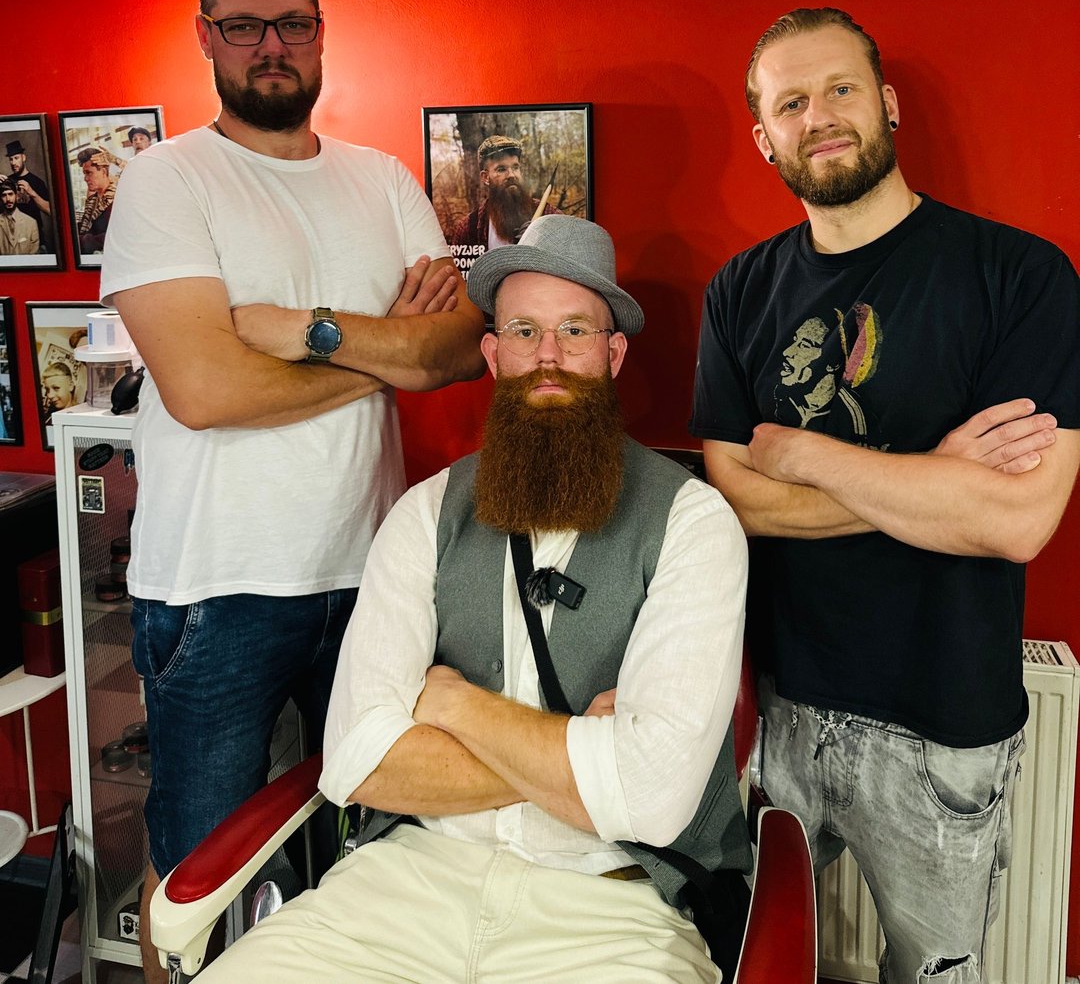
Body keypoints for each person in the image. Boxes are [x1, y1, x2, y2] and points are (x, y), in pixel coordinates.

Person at [196, 214, 752, 984]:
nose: (547, 357)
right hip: (403, 886)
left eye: (575, 331)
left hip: (613, 905)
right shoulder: (423, 514)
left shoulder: (694, 523)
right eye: (523, 331)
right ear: (492, 356)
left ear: (614, 354)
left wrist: (451, 705)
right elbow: (354, 763)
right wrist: (590, 761)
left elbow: (653, 801)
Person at [99, 0, 485, 982]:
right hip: (215, 589)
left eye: (293, 24)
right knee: (198, 872)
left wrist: (301, 330)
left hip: (370, 573)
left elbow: (459, 348)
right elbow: (207, 391)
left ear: (321, 33)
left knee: (363, 850)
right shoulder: (169, 182)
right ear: (205, 37)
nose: (272, 46)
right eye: (245, 27)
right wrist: (385, 356)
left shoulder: (381, 179)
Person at [691, 7, 1080, 984]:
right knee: (752, 958)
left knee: (933, 973)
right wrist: (936, 475)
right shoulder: (739, 290)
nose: (818, 116)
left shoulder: (1020, 276)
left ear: (887, 103)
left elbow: (1016, 520)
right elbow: (734, 498)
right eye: (790, 103)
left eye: (840, 88)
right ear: (764, 138)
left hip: (944, 723)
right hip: (778, 710)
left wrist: (801, 454)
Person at [450, 134, 559, 249]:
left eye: (515, 167)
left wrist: (543, 239)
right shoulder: (469, 229)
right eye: (501, 169)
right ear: (485, 177)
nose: (511, 175)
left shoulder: (548, 215)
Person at [76, 145, 125, 254]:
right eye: (84, 174)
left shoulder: (119, 198)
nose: (85, 178)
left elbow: (117, 234)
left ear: (103, 172)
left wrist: (114, 160)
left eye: (89, 173)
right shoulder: (92, 200)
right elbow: (86, 226)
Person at [6, 139, 52, 249]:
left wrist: (32, 193)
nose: (13, 163)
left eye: (16, 158)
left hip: (34, 237)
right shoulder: (7, 181)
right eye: (11, 159)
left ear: (23, 157)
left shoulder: (37, 182)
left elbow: (49, 210)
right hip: (12, 239)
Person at [0, 176, 39, 255]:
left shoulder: (31, 223)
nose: (8, 199)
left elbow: (34, 256)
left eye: (10, 194)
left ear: (16, 196)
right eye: (4, 195)